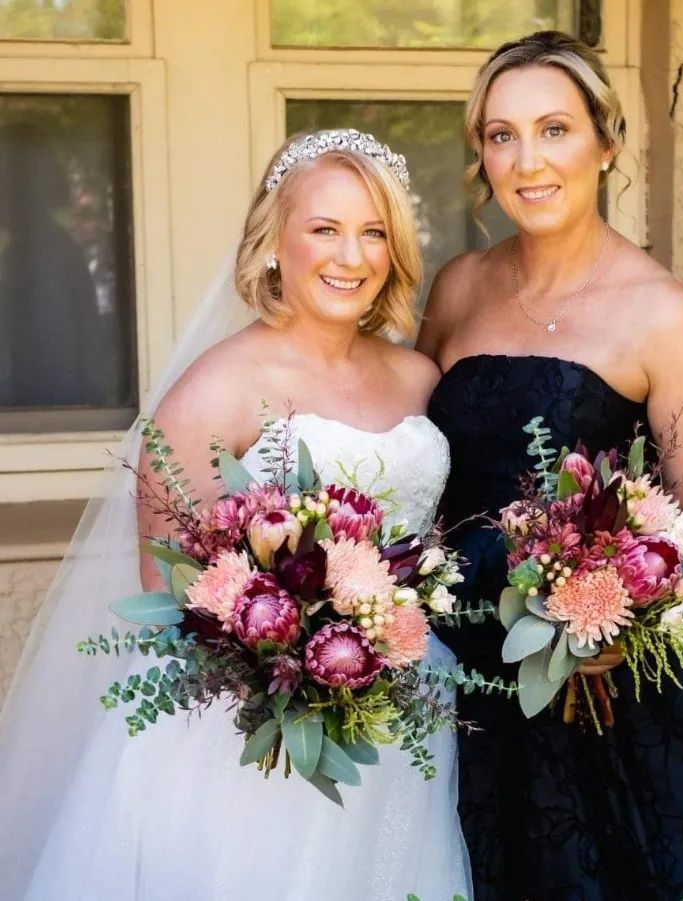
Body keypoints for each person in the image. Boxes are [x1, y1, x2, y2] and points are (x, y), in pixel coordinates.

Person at [419, 31, 683, 901]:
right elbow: (417, 450)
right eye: (500, 136)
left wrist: (607, 620)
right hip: (456, 656)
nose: (526, 161)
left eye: (553, 130)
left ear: (604, 142)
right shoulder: (457, 287)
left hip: (593, 675)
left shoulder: (661, 313)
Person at [0, 129, 471, 901]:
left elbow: (432, 547)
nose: (350, 256)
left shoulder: (418, 377)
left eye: (373, 231)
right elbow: (170, 594)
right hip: (254, 743)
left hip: (403, 718)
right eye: (324, 228)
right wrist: (299, 651)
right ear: (274, 240)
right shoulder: (217, 389)